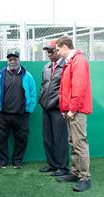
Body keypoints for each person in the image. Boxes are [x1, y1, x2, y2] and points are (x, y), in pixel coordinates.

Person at [55, 36, 92, 192]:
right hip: (71, 110)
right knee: (73, 142)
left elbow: (78, 87)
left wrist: (72, 109)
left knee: (80, 143)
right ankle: (76, 173)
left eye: (57, 49)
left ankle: (85, 178)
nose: (56, 52)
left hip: (76, 110)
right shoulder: (71, 61)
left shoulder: (79, 61)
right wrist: (66, 109)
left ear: (65, 46)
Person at [0, 50, 36, 169]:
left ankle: (17, 161)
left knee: (22, 138)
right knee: (0, 138)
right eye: (10, 59)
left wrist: (28, 110)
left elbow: (33, 93)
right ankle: (2, 161)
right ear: (7, 61)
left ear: (19, 60)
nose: (12, 61)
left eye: (15, 59)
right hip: (2, 114)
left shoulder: (27, 75)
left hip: (21, 114)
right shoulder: (0, 75)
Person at [38, 40, 69, 176]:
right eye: (47, 51)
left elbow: (67, 88)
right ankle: (52, 164)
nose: (49, 53)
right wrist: (42, 99)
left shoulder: (66, 67)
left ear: (58, 51)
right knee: (47, 138)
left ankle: (62, 167)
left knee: (60, 139)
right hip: (46, 108)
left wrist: (58, 101)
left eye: (51, 51)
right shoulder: (46, 67)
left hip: (58, 109)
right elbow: (43, 85)